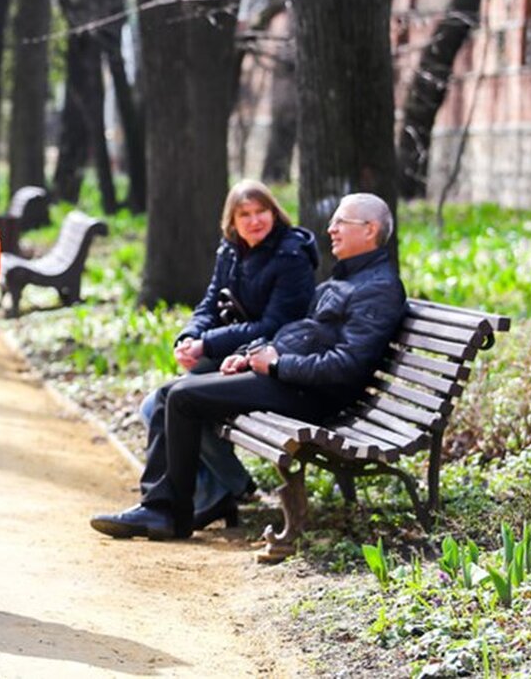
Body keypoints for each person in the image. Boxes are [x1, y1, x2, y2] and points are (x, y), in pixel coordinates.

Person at [91, 193, 405, 540]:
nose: (330, 229)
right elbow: (301, 334)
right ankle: (159, 507)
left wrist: (278, 365)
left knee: (182, 397)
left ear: (370, 229)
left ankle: (169, 513)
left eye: (340, 222)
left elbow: (347, 366)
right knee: (168, 393)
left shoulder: (378, 288)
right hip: (294, 381)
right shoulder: (346, 278)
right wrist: (252, 353)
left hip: (314, 396)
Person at [139, 180, 318, 529]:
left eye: (261, 211)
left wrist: (209, 344)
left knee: (174, 403)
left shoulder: (290, 256)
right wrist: (190, 336)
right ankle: (223, 490)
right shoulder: (231, 250)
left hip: (268, 355)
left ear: (274, 213)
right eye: (245, 214)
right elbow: (209, 302)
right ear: (232, 222)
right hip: (231, 351)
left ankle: (221, 492)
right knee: (153, 406)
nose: (254, 221)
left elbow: (275, 324)